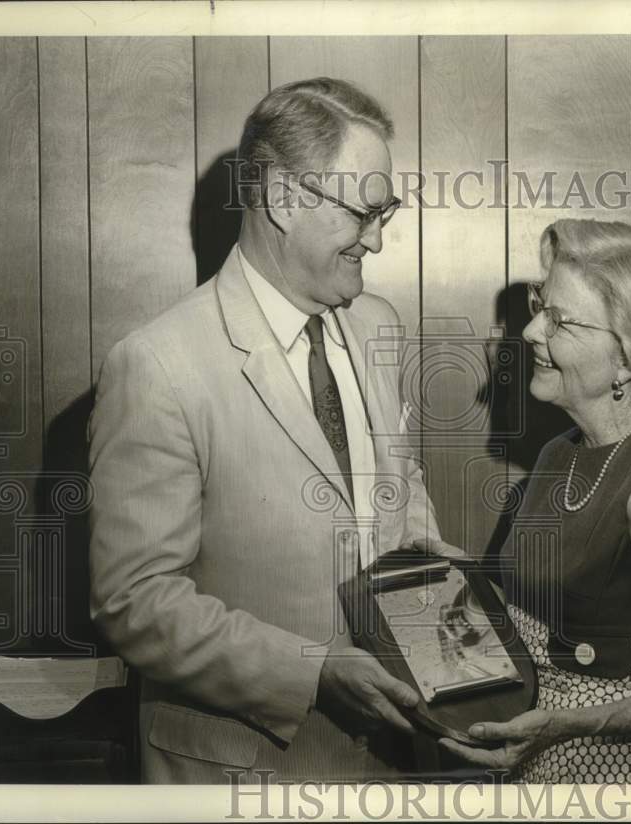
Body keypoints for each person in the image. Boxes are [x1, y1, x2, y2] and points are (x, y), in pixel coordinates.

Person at [88, 77, 446, 783]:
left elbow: (399, 482)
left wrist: (429, 567)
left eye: (387, 211)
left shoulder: (377, 325)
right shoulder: (157, 365)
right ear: (283, 199)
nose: (377, 239)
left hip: (392, 766)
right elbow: (134, 601)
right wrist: (311, 672)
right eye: (363, 213)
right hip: (243, 775)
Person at [440, 219, 631, 782]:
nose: (528, 333)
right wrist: (447, 570)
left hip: (602, 772)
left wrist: (571, 725)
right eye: (539, 304)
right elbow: (542, 610)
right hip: (524, 754)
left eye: (559, 320)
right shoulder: (558, 452)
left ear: (627, 359)